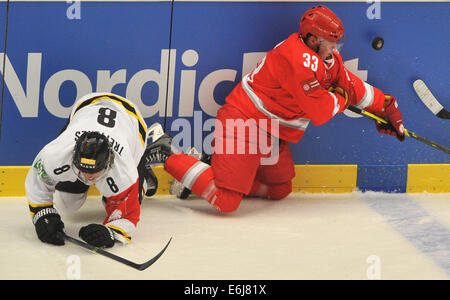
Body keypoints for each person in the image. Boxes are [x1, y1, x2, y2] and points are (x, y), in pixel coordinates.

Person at [144, 5, 405, 213]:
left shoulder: (326, 57)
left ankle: (208, 169)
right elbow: (321, 112)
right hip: (245, 120)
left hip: (270, 131)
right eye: (330, 42)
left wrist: (386, 108)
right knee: (226, 201)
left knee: (280, 188)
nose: (335, 49)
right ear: (313, 38)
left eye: (337, 43)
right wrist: (340, 97)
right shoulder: (296, 60)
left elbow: (352, 86)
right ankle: (166, 151)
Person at [25, 92, 158, 247]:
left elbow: (129, 216)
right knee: (65, 204)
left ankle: (144, 167)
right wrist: (42, 213)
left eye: (93, 173)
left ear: (109, 163)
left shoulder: (124, 171)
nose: (87, 177)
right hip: (88, 106)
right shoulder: (57, 152)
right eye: (82, 169)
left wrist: (111, 233)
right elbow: (38, 177)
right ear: (74, 156)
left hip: (132, 122)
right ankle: (100, 185)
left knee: (130, 196)